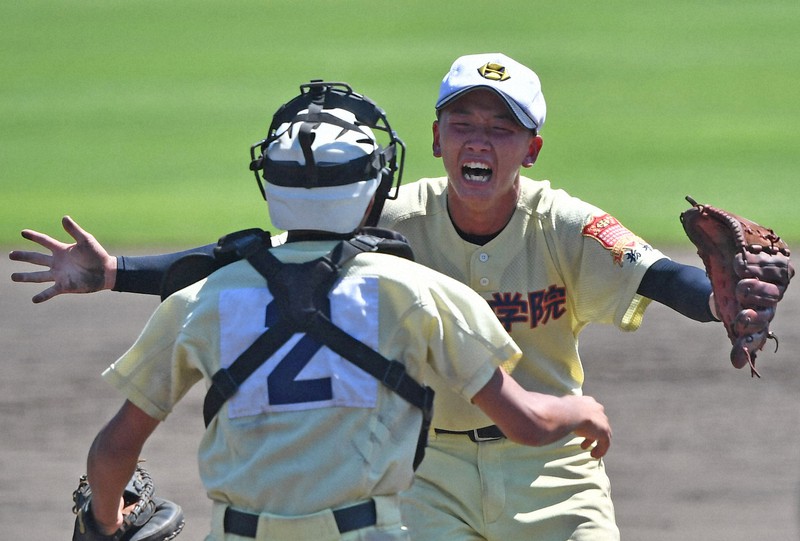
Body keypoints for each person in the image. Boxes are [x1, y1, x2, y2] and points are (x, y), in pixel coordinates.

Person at [9, 54, 753, 539]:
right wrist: (114, 272)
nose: (479, 140)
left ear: (531, 148)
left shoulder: (562, 222)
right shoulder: (392, 231)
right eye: (464, 122)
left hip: (551, 471)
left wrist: (723, 303)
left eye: (502, 128)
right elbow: (257, 257)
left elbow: (661, 273)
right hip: (426, 472)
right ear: (435, 137)